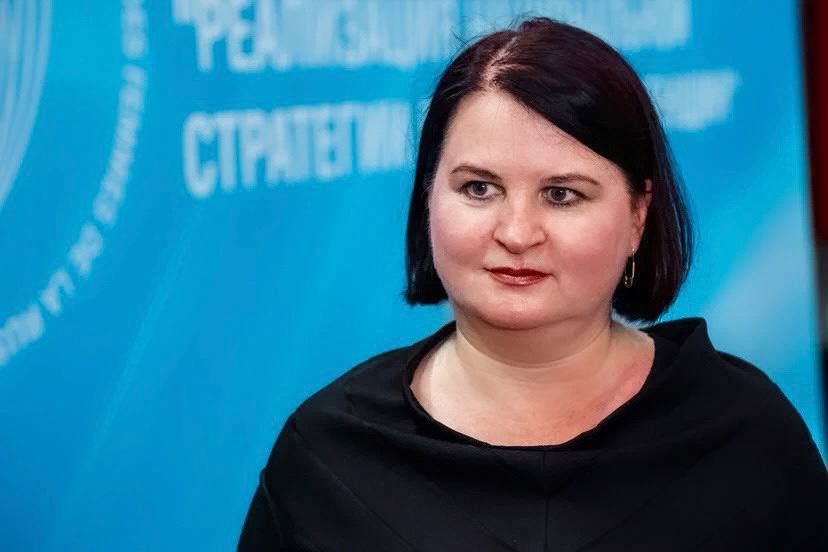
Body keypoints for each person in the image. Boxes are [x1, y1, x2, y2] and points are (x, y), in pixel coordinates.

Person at [238, 17, 828, 551]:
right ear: (428, 197)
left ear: (638, 214)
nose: (517, 233)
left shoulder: (746, 437)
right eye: (478, 189)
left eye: (562, 194)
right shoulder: (328, 456)